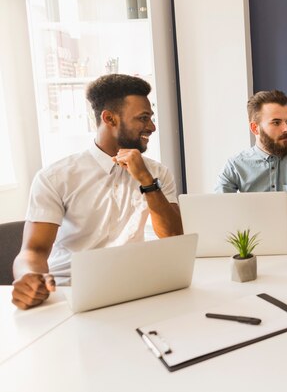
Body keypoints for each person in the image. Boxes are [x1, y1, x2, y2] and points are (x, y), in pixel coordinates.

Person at [11, 74, 183, 310]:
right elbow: (33, 251)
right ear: (110, 119)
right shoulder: (56, 177)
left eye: (151, 118)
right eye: (143, 118)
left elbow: (173, 238)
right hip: (70, 291)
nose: (152, 127)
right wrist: (29, 278)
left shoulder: (156, 173)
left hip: (134, 289)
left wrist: (146, 180)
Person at [215, 90, 287, 234]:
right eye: (276, 122)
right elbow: (219, 212)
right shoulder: (235, 165)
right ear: (255, 128)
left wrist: (281, 226)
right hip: (250, 244)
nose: (286, 129)